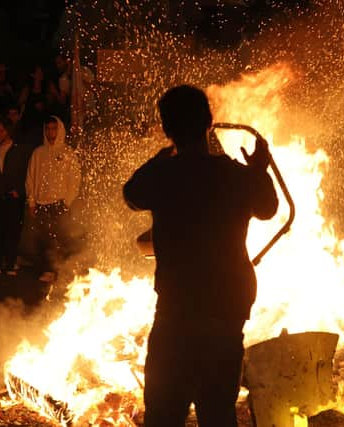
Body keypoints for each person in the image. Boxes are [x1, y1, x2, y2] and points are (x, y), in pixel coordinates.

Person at [123, 85, 278, 427]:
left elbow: (132, 193)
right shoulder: (235, 175)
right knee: (218, 415)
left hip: (176, 317)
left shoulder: (165, 174)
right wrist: (259, 169)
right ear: (209, 122)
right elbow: (268, 209)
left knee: (163, 416)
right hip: (224, 317)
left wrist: (161, 157)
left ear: (167, 129)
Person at [23, 115, 80, 283]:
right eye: (48, 129)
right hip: (41, 203)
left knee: (61, 237)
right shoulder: (38, 153)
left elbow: (74, 179)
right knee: (43, 239)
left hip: (59, 203)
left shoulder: (67, 152)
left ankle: (63, 271)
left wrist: (67, 201)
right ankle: (48, 270)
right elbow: (30, 178)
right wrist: (32, 202)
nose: (51, 132)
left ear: (60, 129)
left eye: (54, 128)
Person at [0, 119, 29, 276]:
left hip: (12, 196)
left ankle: (10, 264)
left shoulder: (19, 150)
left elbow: (25, 172)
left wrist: (19, 190)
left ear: (8, 132)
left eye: (1, 131)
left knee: (12, 231)